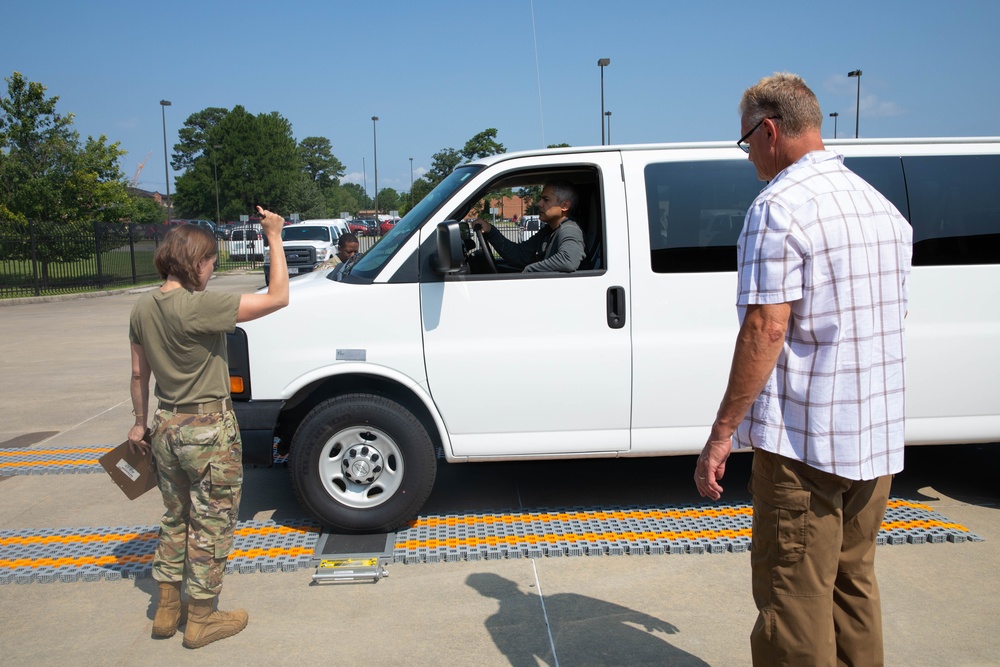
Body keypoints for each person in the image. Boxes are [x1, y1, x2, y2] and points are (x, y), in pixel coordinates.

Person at [694, 73, 911, 666]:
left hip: (805, 450)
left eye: (745, 144)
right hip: (874, 443)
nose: (749, 158)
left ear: (769, 131)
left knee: (793, 601)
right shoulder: (880, 207)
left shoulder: (778, 207)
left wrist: (720, 437)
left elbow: (766, 328)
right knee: (853, 591)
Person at [126, 206, 289, 649]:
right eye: (211, 262)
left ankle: (166, 610)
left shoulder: (142, 306)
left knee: (175, 516)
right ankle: (202, 617)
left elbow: (140, 375)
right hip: (208, 429)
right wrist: (274, 235)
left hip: (165, 424)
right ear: (195, 262)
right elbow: (278, 297)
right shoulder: (200, 306)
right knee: (212, 523)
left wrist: (139, 425)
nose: (212, 270)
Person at [474, 181, 585, 272]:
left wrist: (529, 271)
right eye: (541, 199)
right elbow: (519, 254)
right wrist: (491, 231)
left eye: (546, 200)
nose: (539, 203)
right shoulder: (547, 231)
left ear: (565, 205)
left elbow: (569, 260)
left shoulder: (570, 229)